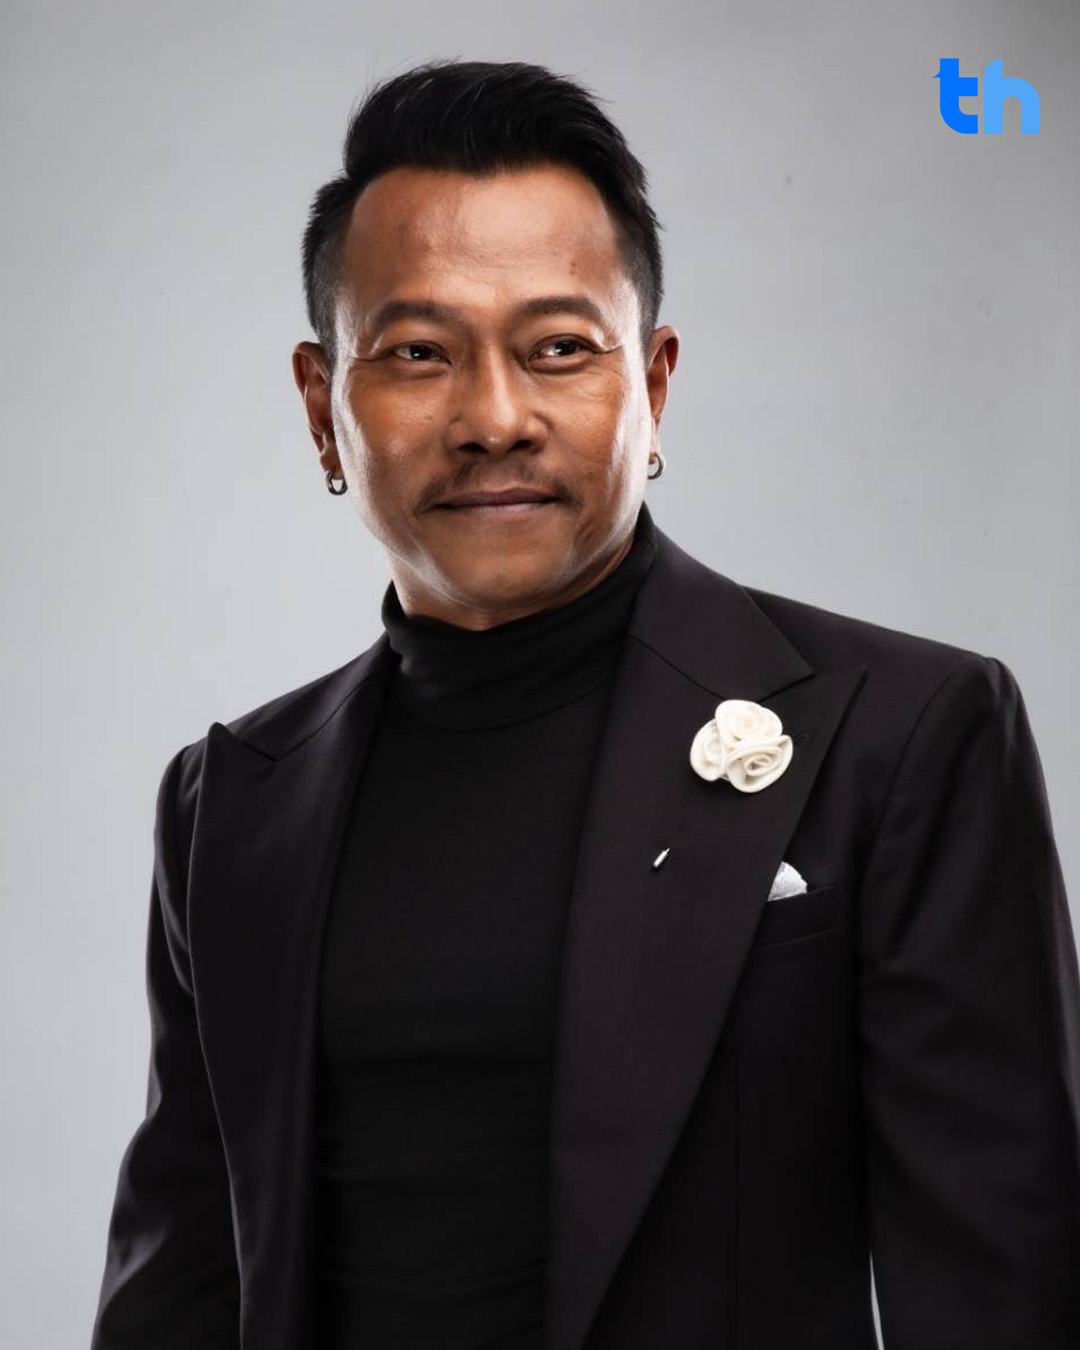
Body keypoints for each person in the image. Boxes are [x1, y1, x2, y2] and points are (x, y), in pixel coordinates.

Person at [90, 58, 1080, 1350]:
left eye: (558, 348)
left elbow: (1007, 1288)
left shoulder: (906, 734)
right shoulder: (231, 797)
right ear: (323, 409)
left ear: (653, 385)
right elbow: (178, 1290)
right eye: (418, 353)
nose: (494, 417)